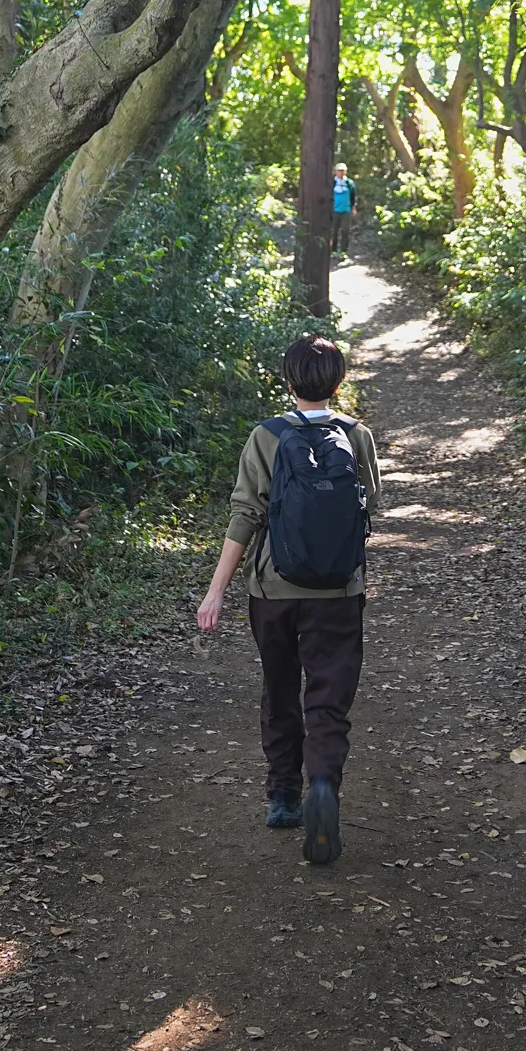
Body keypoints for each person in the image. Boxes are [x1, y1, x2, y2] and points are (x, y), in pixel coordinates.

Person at [195, 334, 382, 867]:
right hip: (340, 592)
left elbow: (244, 515)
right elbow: (370, 506)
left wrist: (215, 593)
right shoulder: (357, 434)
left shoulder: (266, 436)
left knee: (279, 689)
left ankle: (282, 797)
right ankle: (321, 783)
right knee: (328, 698)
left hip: (272, 591)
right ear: (338, 381)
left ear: (289, 380)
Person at [331, 161, 356, 255]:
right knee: (334, 231)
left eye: (342, 171)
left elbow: (353, 196)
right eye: (338, 171)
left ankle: (343, 251)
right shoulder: (332, 183)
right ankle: (333, 250)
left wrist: (353, 208)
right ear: (335, 172)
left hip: (346, 210)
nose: (340, 173)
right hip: (334, 210)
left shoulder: (349, 183)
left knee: (345, 231)